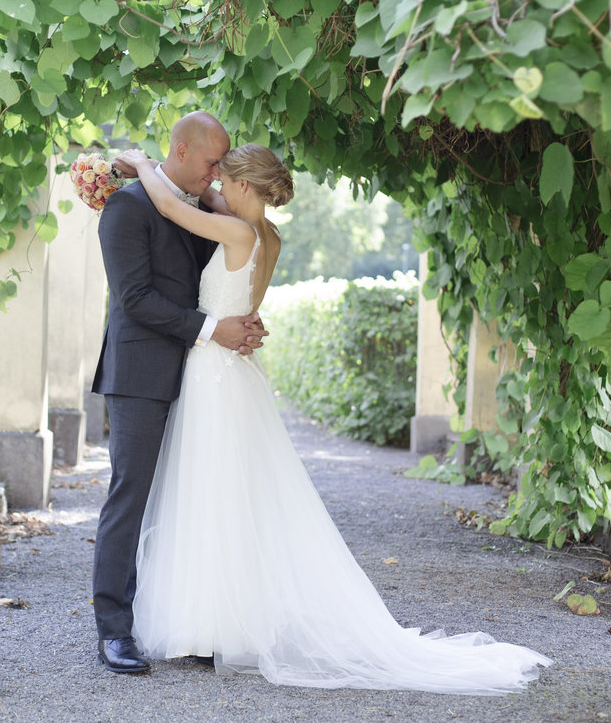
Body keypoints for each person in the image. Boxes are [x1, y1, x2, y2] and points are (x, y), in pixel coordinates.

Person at [117, 143, 553, 693]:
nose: (217, 189)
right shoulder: (266, 235)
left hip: (214, 373)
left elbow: (172, 206)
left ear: (245, 187)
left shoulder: (235, 232)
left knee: (211, 494)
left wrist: (143, 164)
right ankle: (219, 624)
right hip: (234, 370)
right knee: (232, 496)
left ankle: (210, 624)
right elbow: (207, 205)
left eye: (226, 183)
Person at [90, 111, 265, 674]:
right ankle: (114, 632)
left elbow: (216, 285)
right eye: (213, 161)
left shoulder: (199, 210)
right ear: (182, 151)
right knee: (131, 498)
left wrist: (241, 320)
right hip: (140, 377)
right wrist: (218, 330)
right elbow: (135, 300)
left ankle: (180, 622)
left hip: (198, 377)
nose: (218, 174)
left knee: (188, 498)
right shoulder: (126, 207)